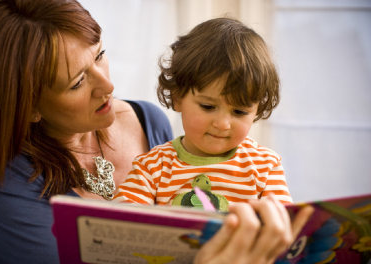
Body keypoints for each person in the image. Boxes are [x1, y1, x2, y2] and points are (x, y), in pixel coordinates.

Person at [0, 1, 313, 264]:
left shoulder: (147, 119)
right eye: (78, 81)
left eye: (99, 54)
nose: (107, 84)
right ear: (26, 105)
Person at [113, 17, 292, 212]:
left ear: (256, 110)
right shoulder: (152, 167)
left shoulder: (266, 167)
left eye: (239, 112)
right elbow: (121, 223)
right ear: (178, 97)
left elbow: (286, 230)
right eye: (208, 106)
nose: (223, 124)